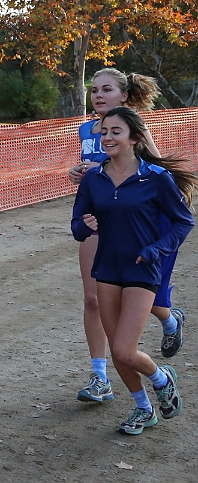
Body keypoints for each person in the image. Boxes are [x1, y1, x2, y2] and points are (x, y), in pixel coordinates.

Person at [71, 106, 195, 435]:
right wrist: (85, 226)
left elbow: (184, 221)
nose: (108, 137)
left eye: (116, 132)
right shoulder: (93, 180)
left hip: (143, 270)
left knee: (125, 349)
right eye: (105, 131)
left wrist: (157, 249)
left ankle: (161, 378)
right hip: (107, 268)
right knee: (117, 352)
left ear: (134, 138)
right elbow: (77, 224)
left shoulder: (155, 178)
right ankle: (144, 409)